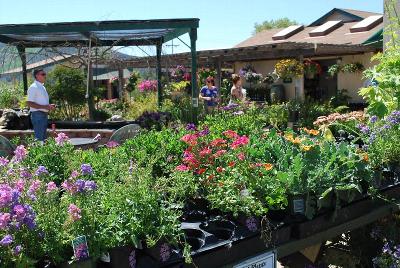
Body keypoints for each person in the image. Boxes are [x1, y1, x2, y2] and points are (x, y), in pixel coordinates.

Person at [27, 69, 56, 141]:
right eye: (43, 74)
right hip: (38, 115)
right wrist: (45, 107)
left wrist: (49, 106)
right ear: (37, 76)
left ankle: (41, 151)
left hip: (43, 115)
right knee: (40, 138)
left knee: (43, 138)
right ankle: (39, 151)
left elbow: (41, 102)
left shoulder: (42, 87)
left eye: (45, 74)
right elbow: (29, 103)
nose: (45, 76)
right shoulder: (33, 87)